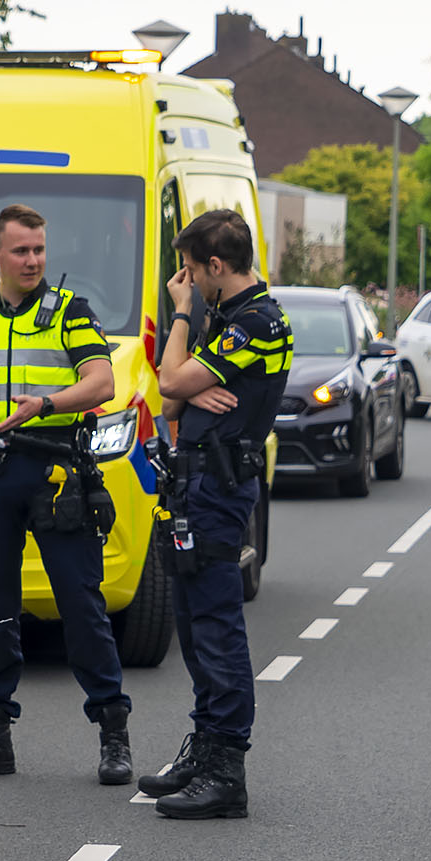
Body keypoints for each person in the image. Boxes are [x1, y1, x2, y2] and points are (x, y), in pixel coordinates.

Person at [0, 203, 132, 784]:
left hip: (54, 472)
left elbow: (103, 381)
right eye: (20, 250)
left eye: (39, 249)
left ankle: (113, 730)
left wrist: (44, 405)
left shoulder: (70, 311)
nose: (32, 260)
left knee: (81, 604)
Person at [140, 209, 292, 818]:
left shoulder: (257, 321)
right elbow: (171, 400)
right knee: (193, 622)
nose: (187, 281)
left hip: (219, 489)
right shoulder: (229, 318)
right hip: (193, 484)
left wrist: (182, 316)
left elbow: (170, 382)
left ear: (215, 265)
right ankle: (204, 748)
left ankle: (227, 770)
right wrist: (186, 384)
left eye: (190, 270)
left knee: (217, 626)